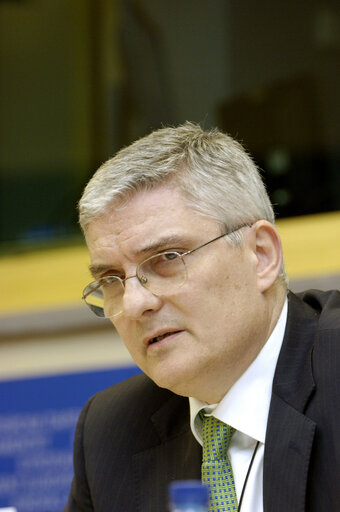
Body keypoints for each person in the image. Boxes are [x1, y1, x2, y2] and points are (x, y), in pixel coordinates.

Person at [63, 122, 340, 512]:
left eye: (166, 259)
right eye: (110, 280)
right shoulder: (110, 434)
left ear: (260, 255)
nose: (134, 303)